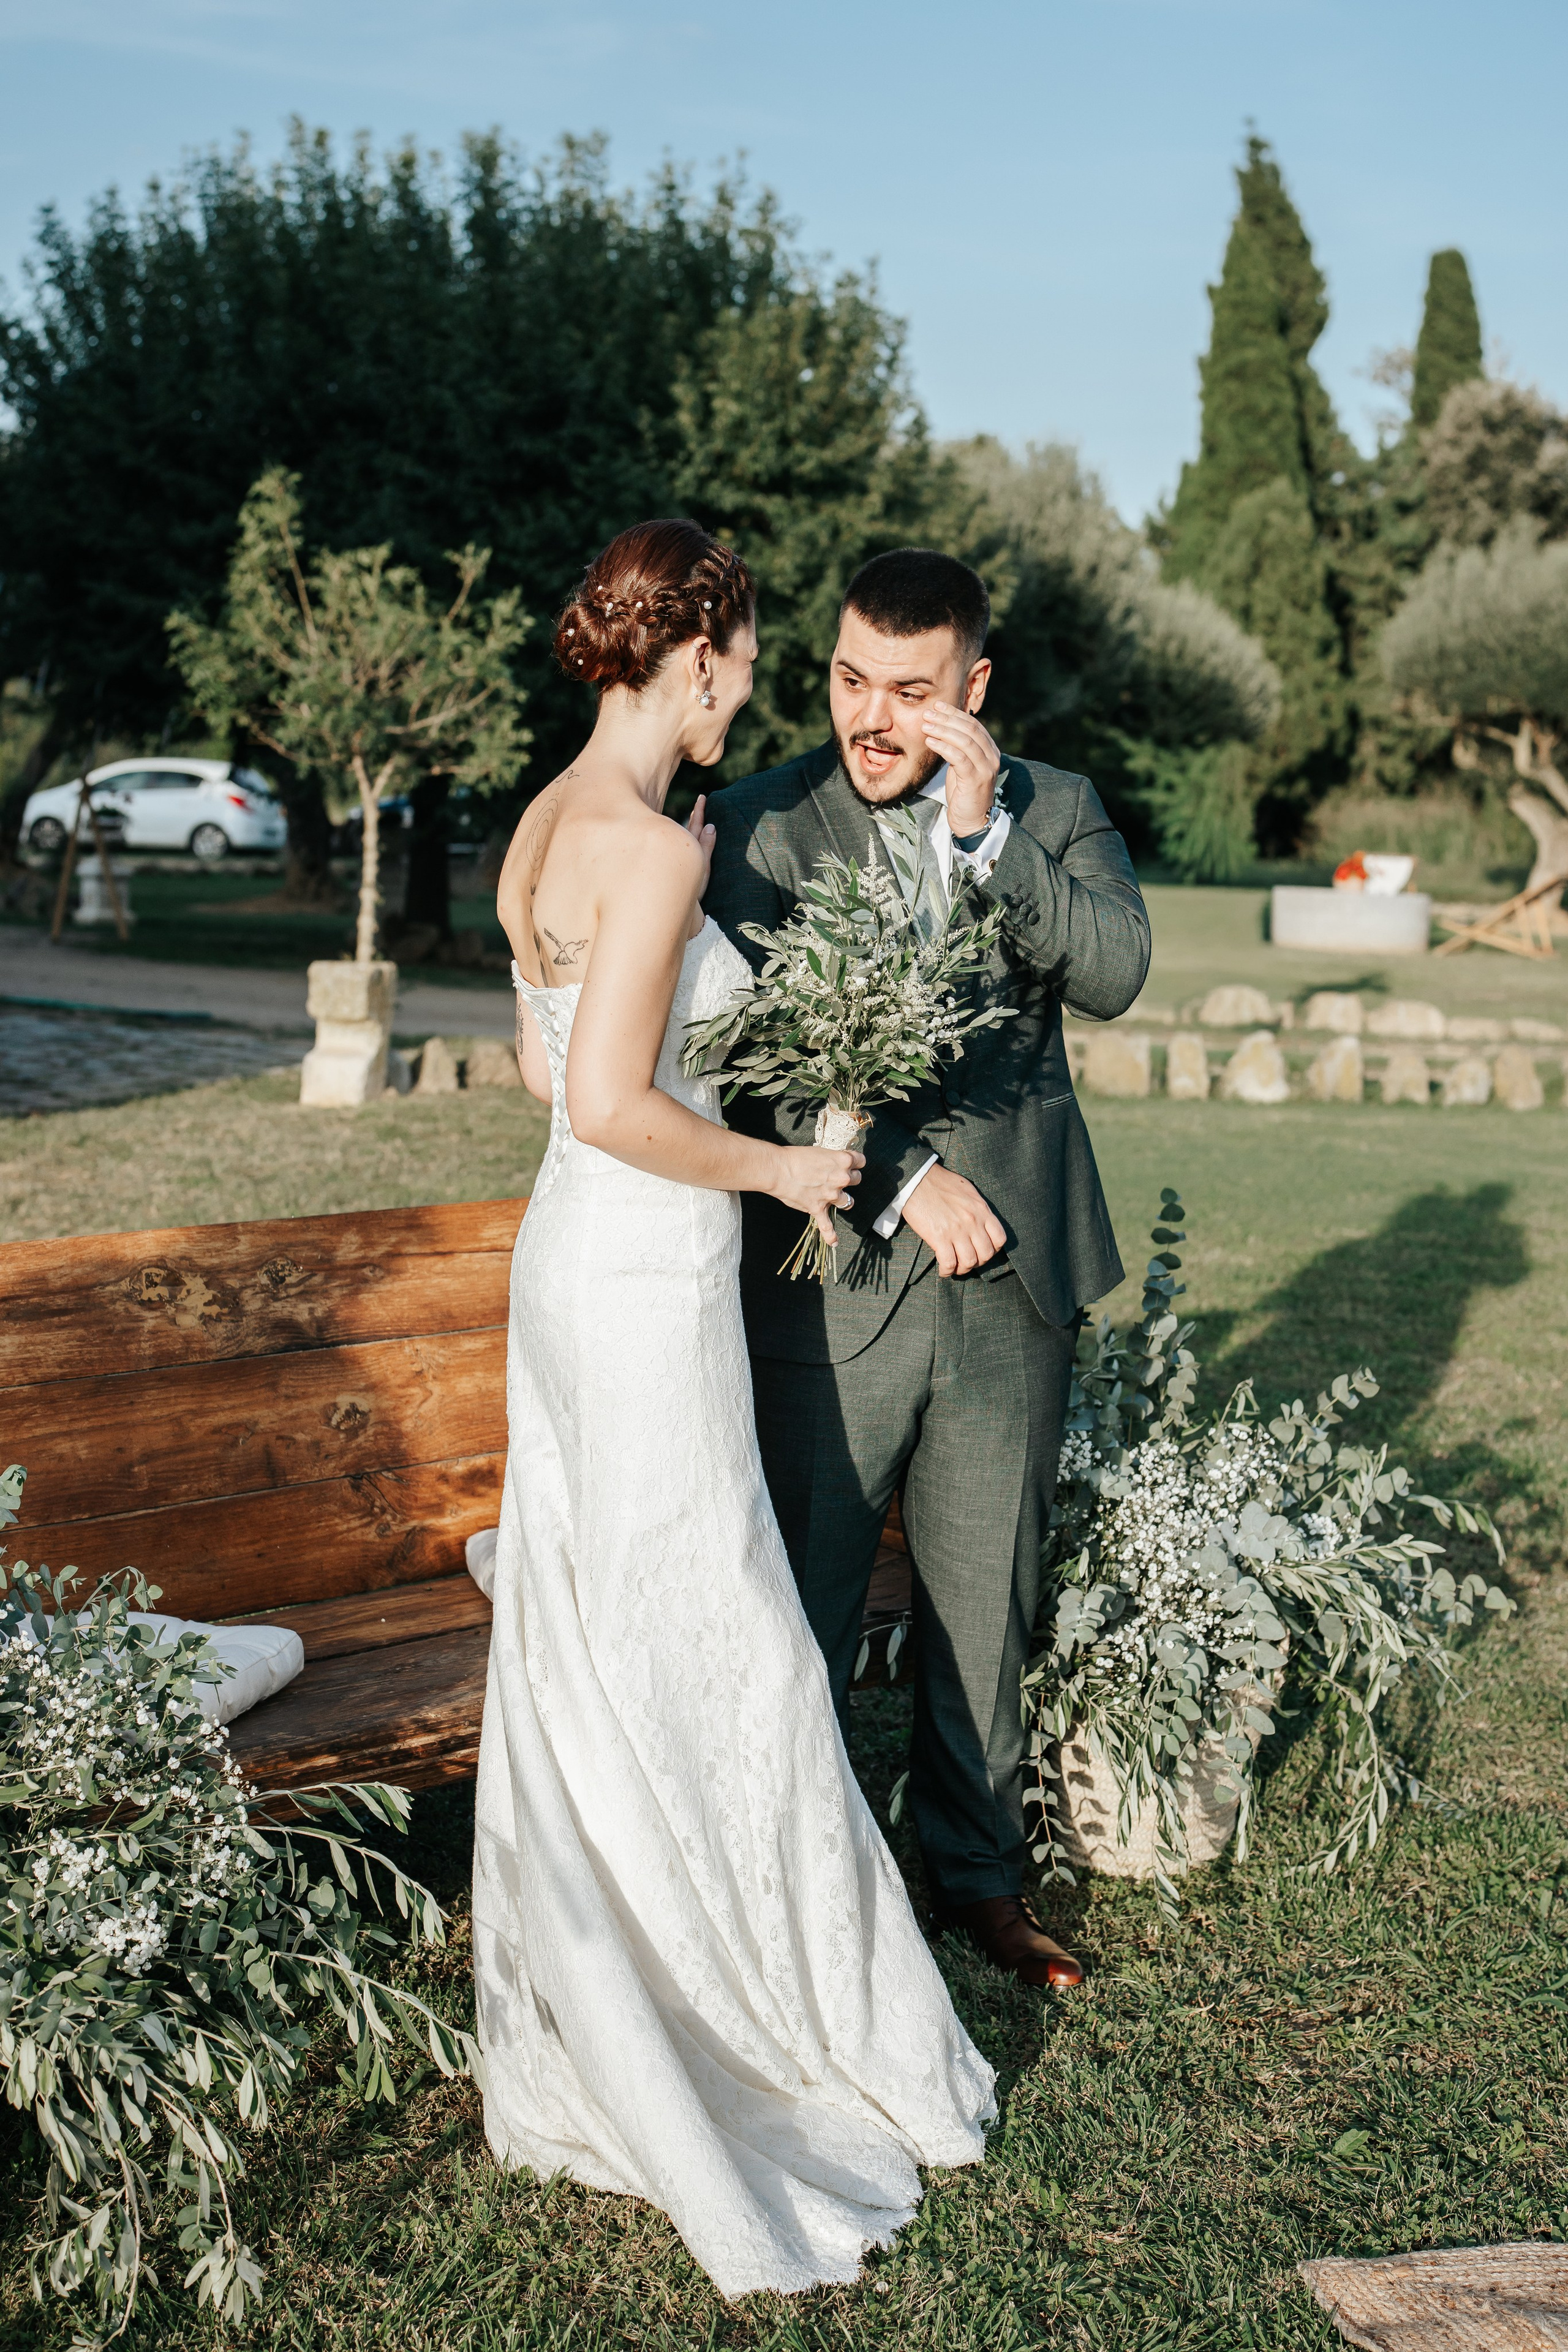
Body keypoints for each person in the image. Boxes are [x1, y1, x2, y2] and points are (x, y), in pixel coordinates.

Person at [474, 519, 995, 2299]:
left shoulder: (550, 827)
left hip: (572, 1272)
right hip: (638, 1288)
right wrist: (781, 1166)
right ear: (693, 657)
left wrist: (674, 921)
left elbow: (539, 1063)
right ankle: (747, 2011)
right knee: (720, 1640)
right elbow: (612, 1105)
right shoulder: (648, 854)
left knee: (613, 1636)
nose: (752, 695)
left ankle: (640, 1979)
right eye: (750, 663)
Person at [706, 548, 1151, 1992]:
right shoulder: (762, 824)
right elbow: (740, 1060)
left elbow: (1112, 972)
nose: (869, 716)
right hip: (832, 1285)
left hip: (1010, 1287)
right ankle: (801, 1896)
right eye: (849, 680)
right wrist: (898, 1173)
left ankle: (978, 1881)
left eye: (908, 690)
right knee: (807, 1608)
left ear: (973, 687)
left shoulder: (1055, 810)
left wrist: (983, 837)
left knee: (982, 1605)